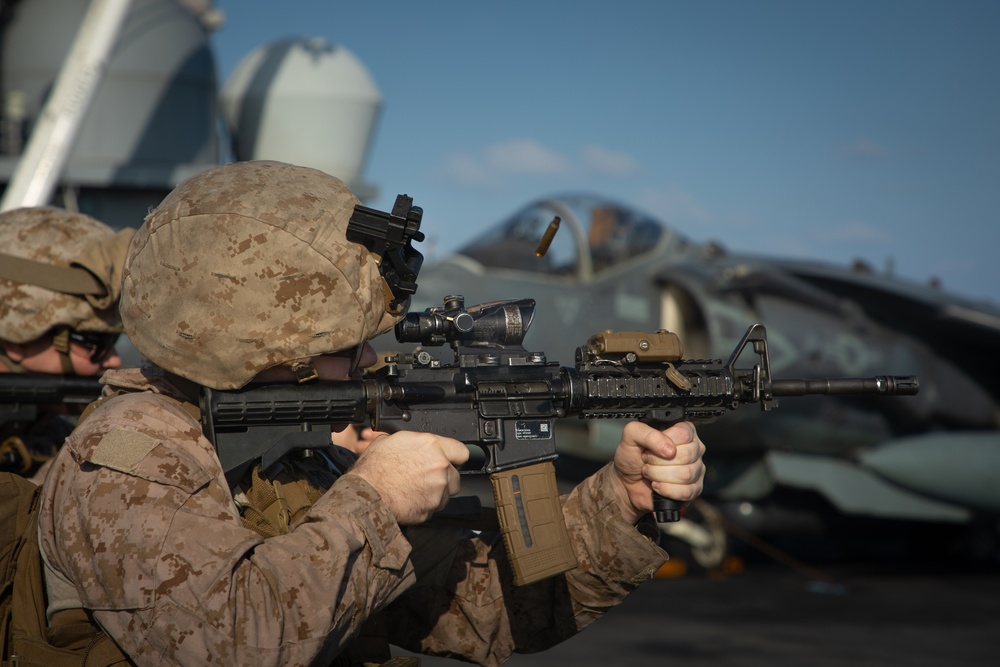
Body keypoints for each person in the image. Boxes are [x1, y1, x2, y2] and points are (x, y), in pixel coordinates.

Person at [37, 161, 706, 667]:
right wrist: (375, 498)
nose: (365, 359)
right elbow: (235, 641)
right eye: (339, 345)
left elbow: (491, 611)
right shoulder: (127, 453)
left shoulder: (293, 458)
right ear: (257, 344)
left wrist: (618, 504)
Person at [0, 206, 131, 482]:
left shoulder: (51, 435)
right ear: (19, 340)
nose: (114, 360)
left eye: (114, 340)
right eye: (95, 342)